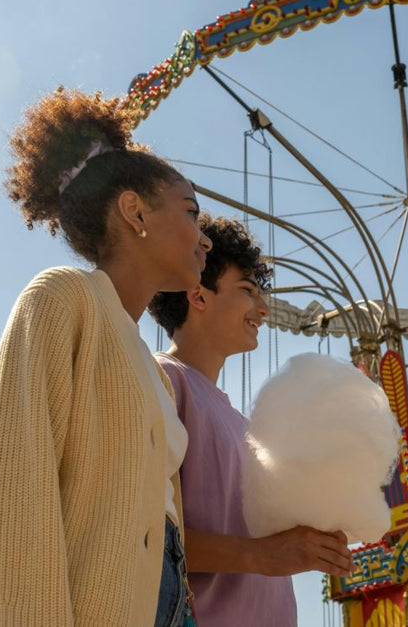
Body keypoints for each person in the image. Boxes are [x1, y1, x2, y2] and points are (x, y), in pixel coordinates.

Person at [0, 88, 212, 626]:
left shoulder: (150, 365)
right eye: (191, 212)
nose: (204, 239)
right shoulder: (61, 298)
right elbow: (8, 495)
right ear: (134, 211)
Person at [148, 215, 354, 626]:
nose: (262, 309)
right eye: (247, 291)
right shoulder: (163, 381)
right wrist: (263, 555)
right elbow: (144, 532)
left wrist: (308, 540)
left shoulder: (240, 422)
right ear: (198, 294)